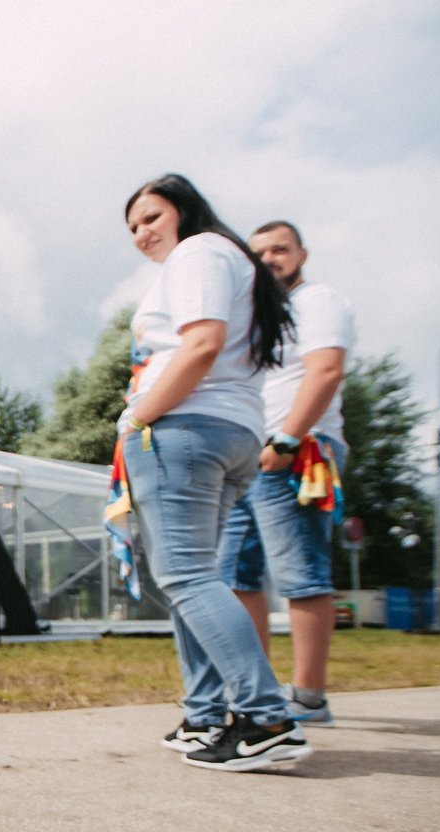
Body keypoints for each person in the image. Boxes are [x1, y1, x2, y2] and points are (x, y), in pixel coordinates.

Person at [117, 173, 310, 771]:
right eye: (132, 228)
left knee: (186, 577)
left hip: (185, 428)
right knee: (194, 579)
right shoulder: (232, 263)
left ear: (183, 211)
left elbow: (200, 346)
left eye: (150, 218)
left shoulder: (199, 252)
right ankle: (205, 715)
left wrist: (136, 417)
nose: (141, 233)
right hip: (230, 432)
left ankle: (266, 717)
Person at [217, 221, 355, 726]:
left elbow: (325, 371)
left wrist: (288, 439)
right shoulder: (259, 316)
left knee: (300, 575)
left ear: (302, 253)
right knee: (235, 575)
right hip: (250, 455)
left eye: (280, 249)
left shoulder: (317, 302)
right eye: (259, 252)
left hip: (297, 453)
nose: (270, 258)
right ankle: (262, 691)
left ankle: (310, 698)